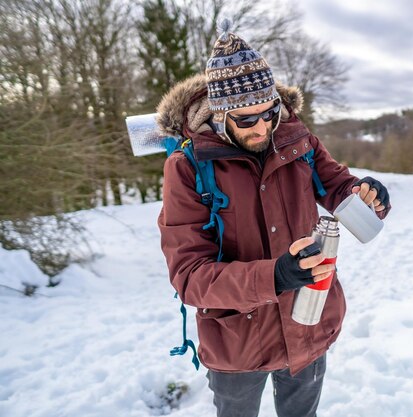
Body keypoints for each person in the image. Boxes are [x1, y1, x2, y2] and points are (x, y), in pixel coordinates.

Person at [157, 20, 391, 417]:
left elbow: (336, 185)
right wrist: (274, 277)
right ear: (221, 113)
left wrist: (365, 195)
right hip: (237, 339)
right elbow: (190, 276)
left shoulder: (296, 138)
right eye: (247, 120)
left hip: (308, 320)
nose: (263, 126)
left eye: (270, 112)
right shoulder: (188, 167)